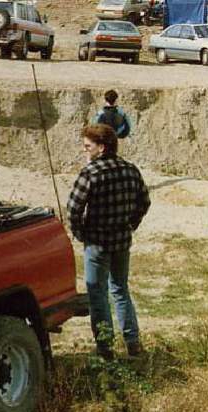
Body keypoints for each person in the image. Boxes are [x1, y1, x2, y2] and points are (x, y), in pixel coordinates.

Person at [67, 124, 151, 360]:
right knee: (120, 290)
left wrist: (80, 233)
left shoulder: (91, 173)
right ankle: (133, 343)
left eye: (87, 147)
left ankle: (105, 348)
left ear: (101, 148)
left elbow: (73, 208)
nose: (85, 151)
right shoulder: (130, 169)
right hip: (122, 242)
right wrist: (130, 224)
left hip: (97, 243)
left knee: (97, 294)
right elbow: (144, 202)